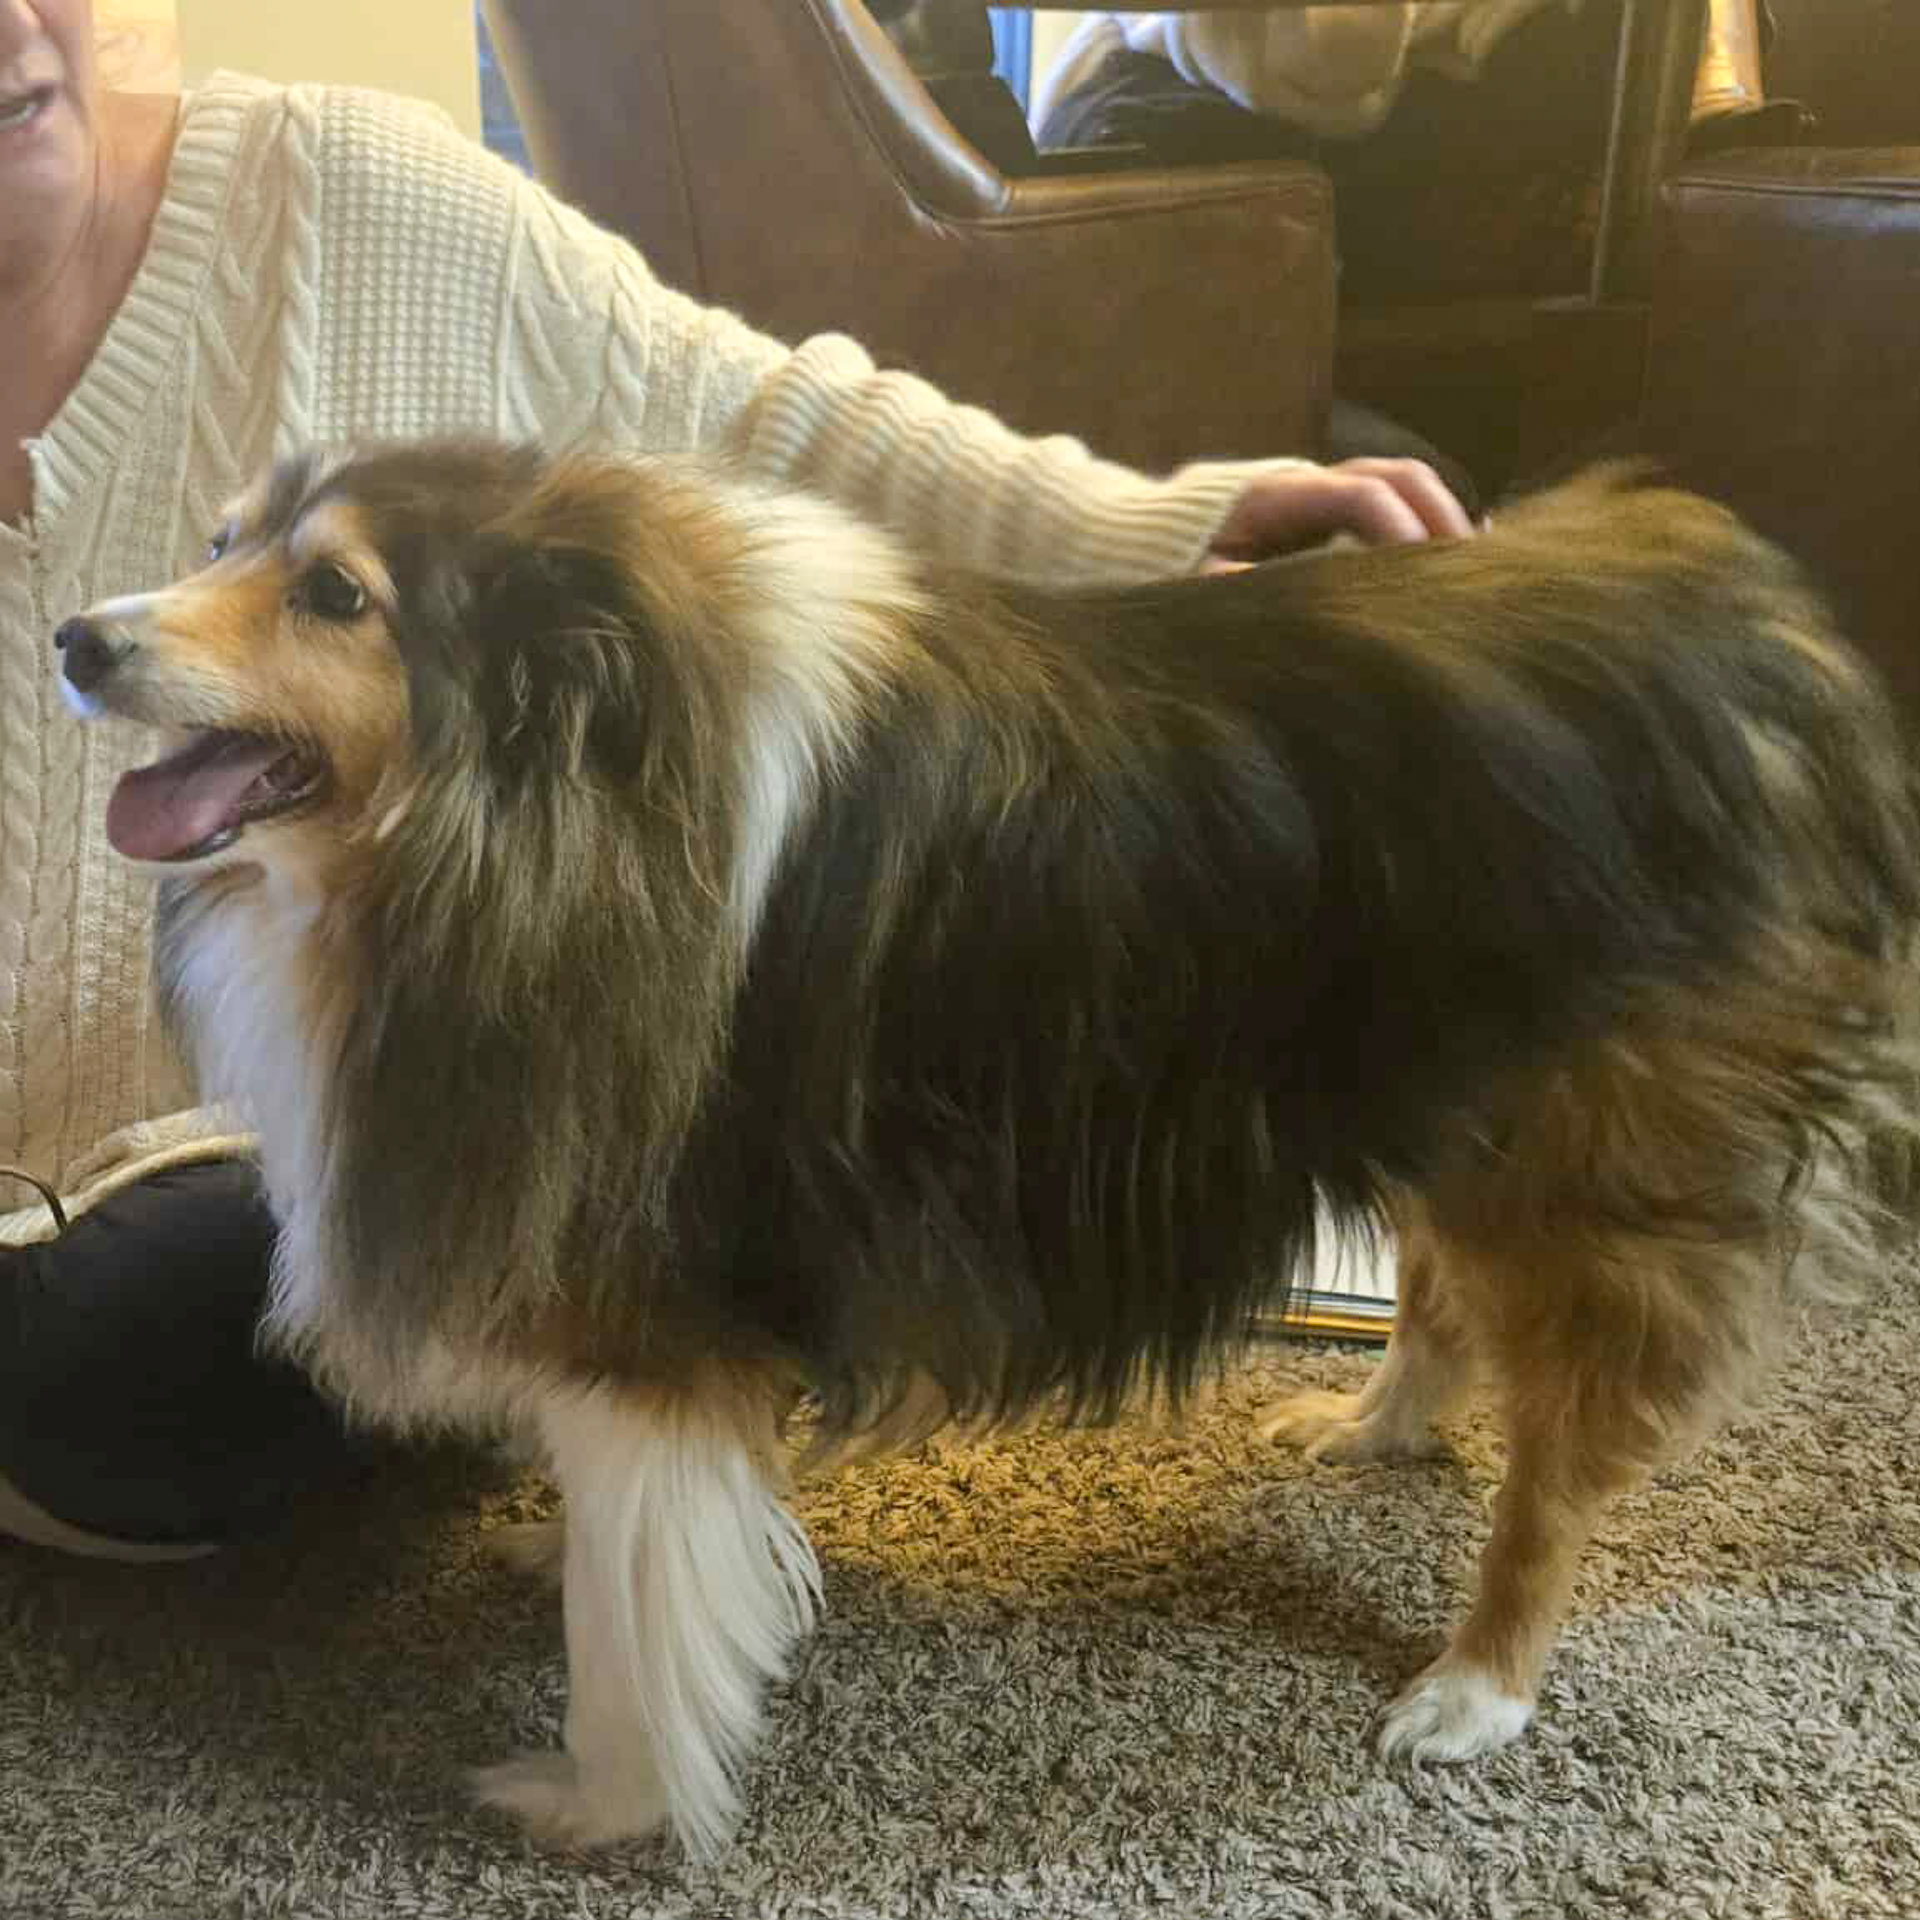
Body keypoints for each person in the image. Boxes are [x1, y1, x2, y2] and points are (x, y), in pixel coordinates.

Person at [0, 0, 1472, 1559]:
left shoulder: (332, 189)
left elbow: (758, 415)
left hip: (323, 1137)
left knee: (141, 1338)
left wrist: (1148, 526)